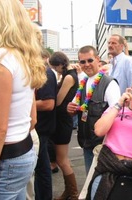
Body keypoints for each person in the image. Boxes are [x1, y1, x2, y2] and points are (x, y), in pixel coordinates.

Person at [0, 0, 47, 199]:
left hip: (5, 159)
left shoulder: (0, 60)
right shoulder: (22, 58)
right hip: (24, 150)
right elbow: (32, 119)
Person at [67, 45, 121, 174]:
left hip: (104, 145)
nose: (87, 64)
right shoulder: (83, 82)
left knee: (102, 184)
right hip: (87, 142)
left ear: (97, 59)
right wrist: (70, 108)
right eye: (82, 61)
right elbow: (74, 107)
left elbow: (117, 114)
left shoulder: (109, 83)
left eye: (90, 60)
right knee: (90, 182)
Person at [49, 52, 79, 200]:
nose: (55, 70)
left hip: (63, 120)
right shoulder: (68, 74)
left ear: (61, 64)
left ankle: (73, 193)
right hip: (62, 120)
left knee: (62, 160)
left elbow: (59, 101)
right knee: (62, 159)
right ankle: (69, 192)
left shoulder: (68, 77)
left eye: (55, 67)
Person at [34, 49, 58, 200]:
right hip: (39, 128)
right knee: (41, 167)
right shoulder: (39, 71)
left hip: (41, 128)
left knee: (42, 169)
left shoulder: (45, 73)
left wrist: (24, 103)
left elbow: (49, 104)